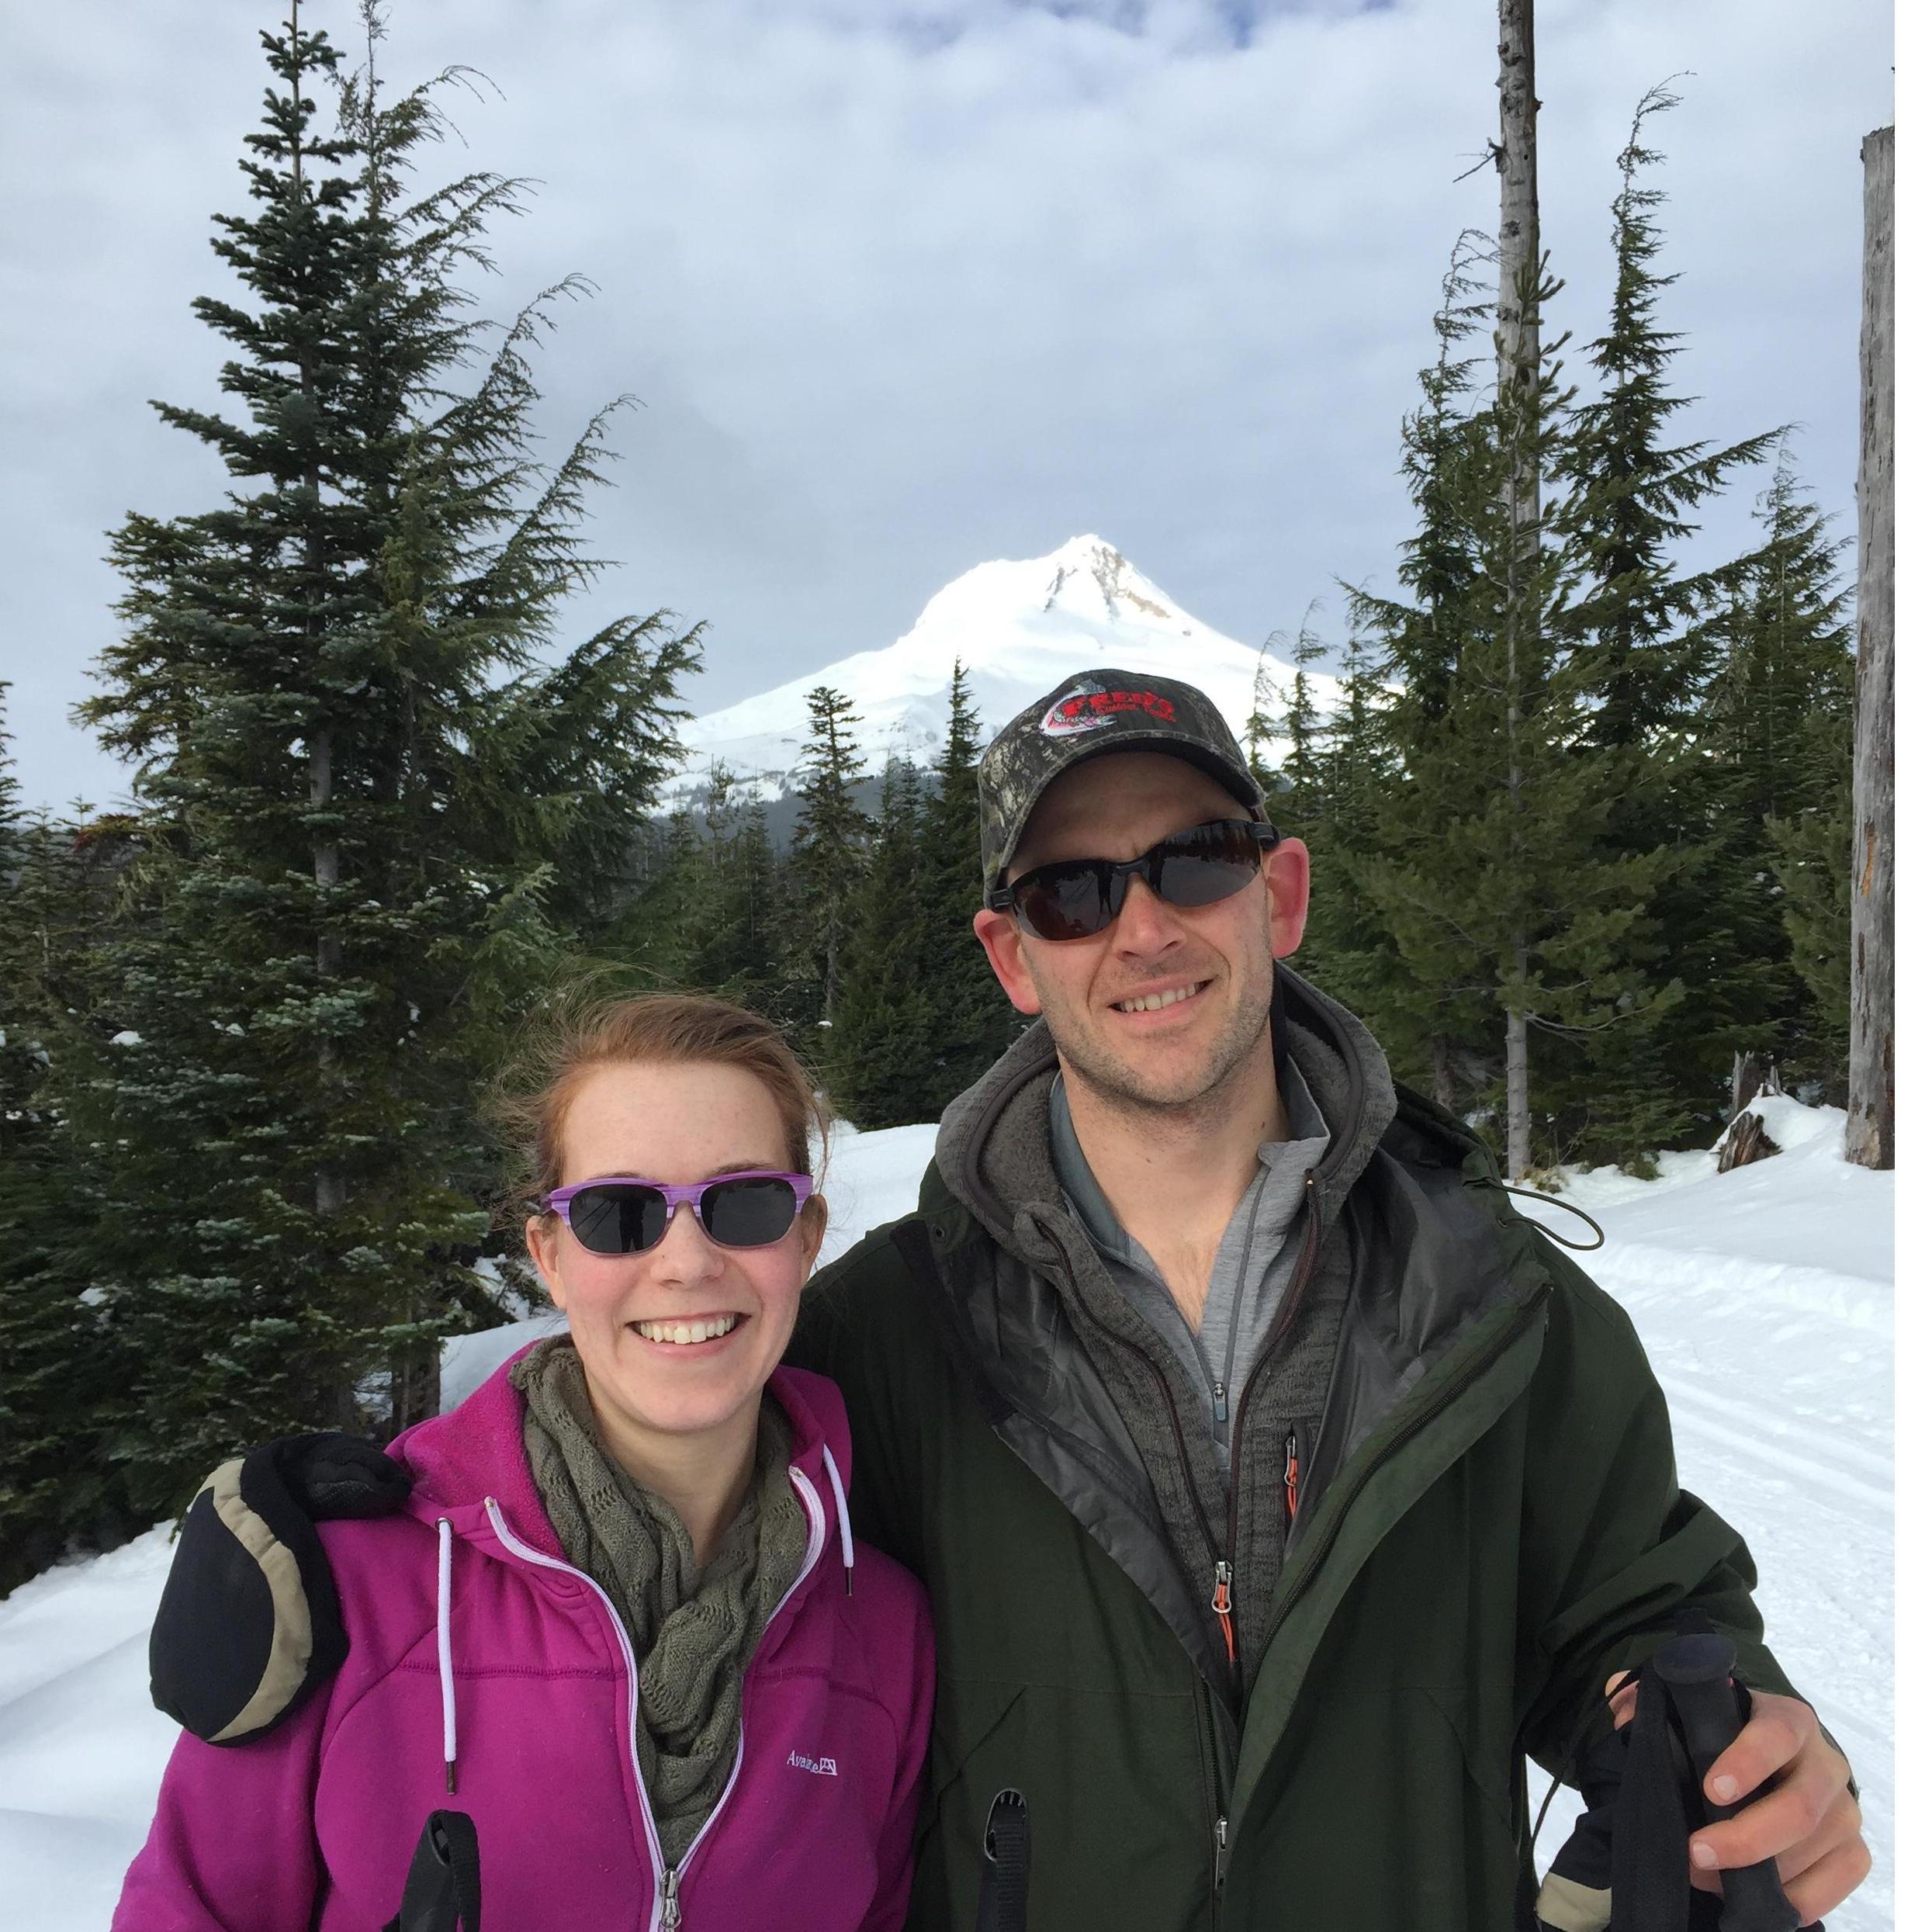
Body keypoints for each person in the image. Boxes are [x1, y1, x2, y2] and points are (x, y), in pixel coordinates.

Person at [147, 672, 1870, 1930]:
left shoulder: (1496, 1310)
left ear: (1276, 894)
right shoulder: (888, 1336)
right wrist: (344, 1526)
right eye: (1072, 888)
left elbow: (1639, 1609)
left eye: (1190, 862)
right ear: (1009, 953)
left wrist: (1725, 1723)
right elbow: (658, 1442)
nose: (1141, 927)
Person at [116, 992, 933, 1932]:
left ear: (806, 1238)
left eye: (743, 1204)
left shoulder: (885, 1632)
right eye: (619, 1214)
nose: (686, 1263)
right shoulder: (345, 1593)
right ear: (549, 1254)